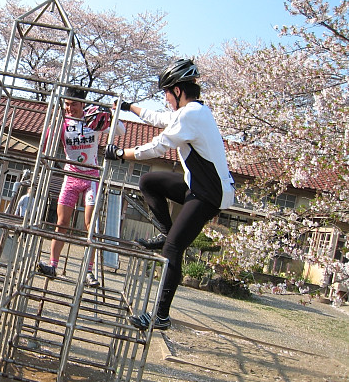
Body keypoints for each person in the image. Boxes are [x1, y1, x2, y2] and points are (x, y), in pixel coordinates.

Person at [104, 59, 235, 330]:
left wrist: (121, 154)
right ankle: (166, 230)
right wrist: (129, 107)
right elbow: (161, 119)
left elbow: (159, 145)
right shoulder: (191, 111)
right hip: (196, 187)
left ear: (177, 90)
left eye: (166, 92)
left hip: (209, 195)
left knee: (173, 249)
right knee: (150, 181)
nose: (165, 98)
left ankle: (160, 316)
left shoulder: (191, 115)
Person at [37, 87, 125, 287]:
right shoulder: (63, 122)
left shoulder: (93, 119)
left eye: (73, 105)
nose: (69, 108)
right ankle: (53, 265)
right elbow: (46, 143)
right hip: (70, 176)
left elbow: (121, 131)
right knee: (62, 222)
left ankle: (89, 272)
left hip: (91, 177)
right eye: (66, 104)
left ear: (82, 104)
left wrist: (111, 114)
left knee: (89, 225)